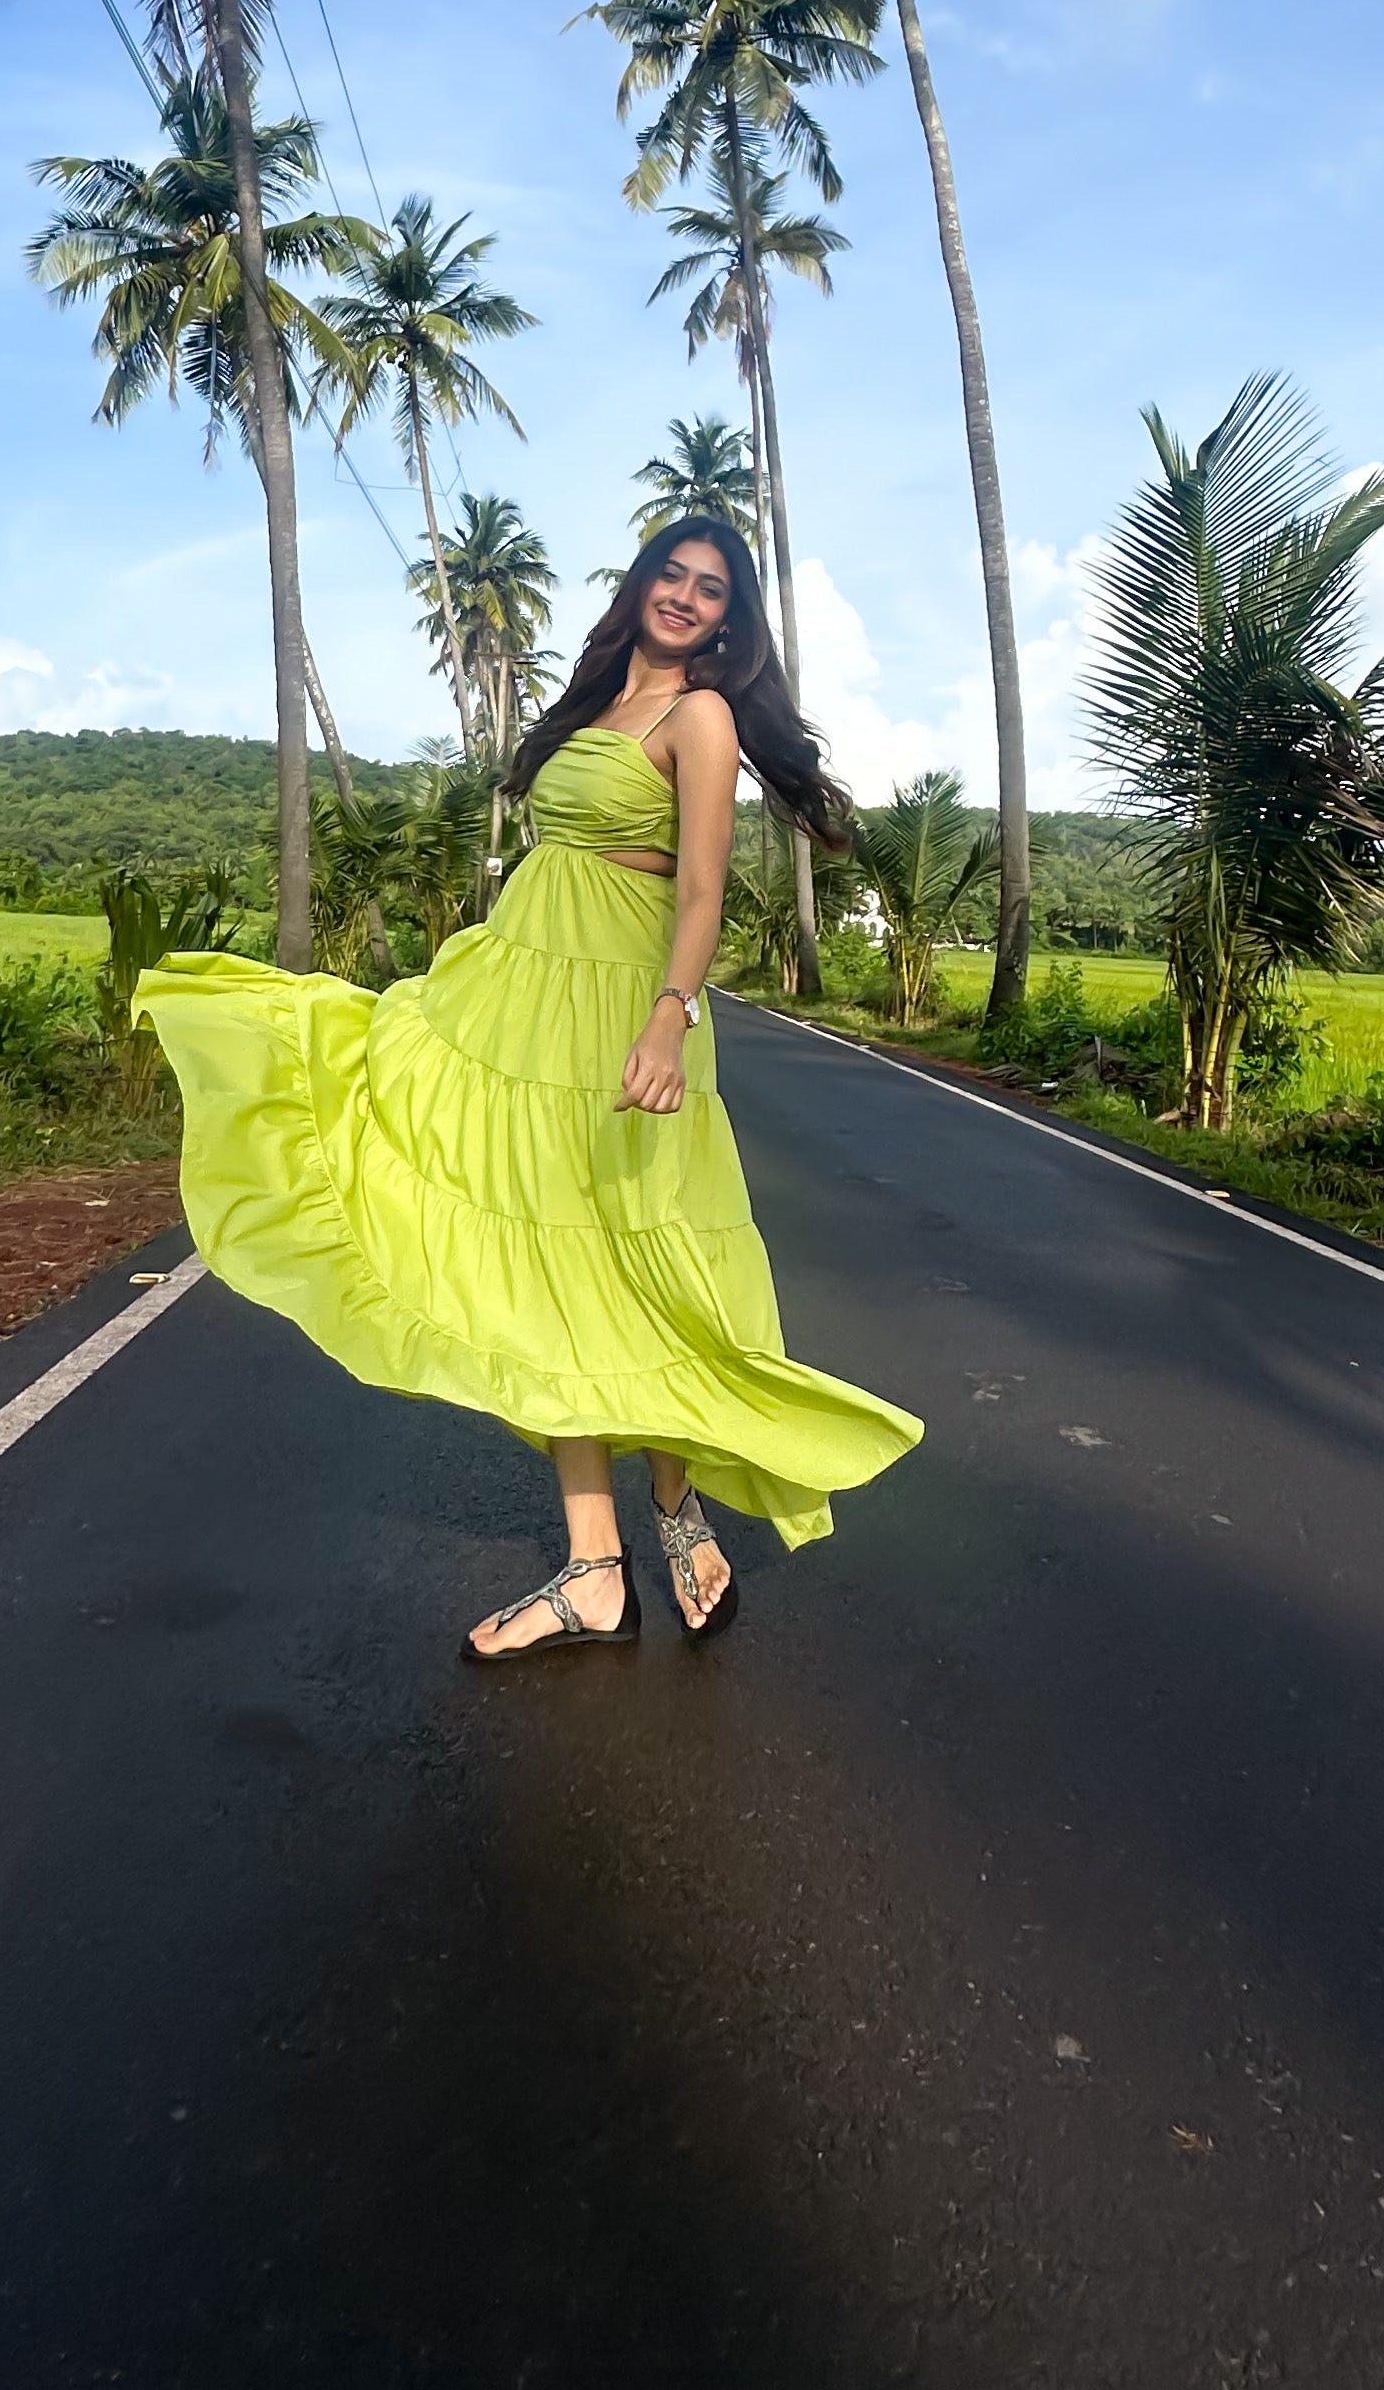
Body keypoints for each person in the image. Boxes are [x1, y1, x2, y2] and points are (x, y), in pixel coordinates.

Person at [134, 513, 920, 1658]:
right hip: (516, 1001)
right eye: (674, 573)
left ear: (729, 621)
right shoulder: (591, 703)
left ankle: (675, 1508)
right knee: (550, 1275)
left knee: (652, 1267)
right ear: (642, 582)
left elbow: (699, 892)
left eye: (713, 589)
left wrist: (670, 1016)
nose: (688, 597)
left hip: (622, 1012)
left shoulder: (699, 716)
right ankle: (594, 1570)